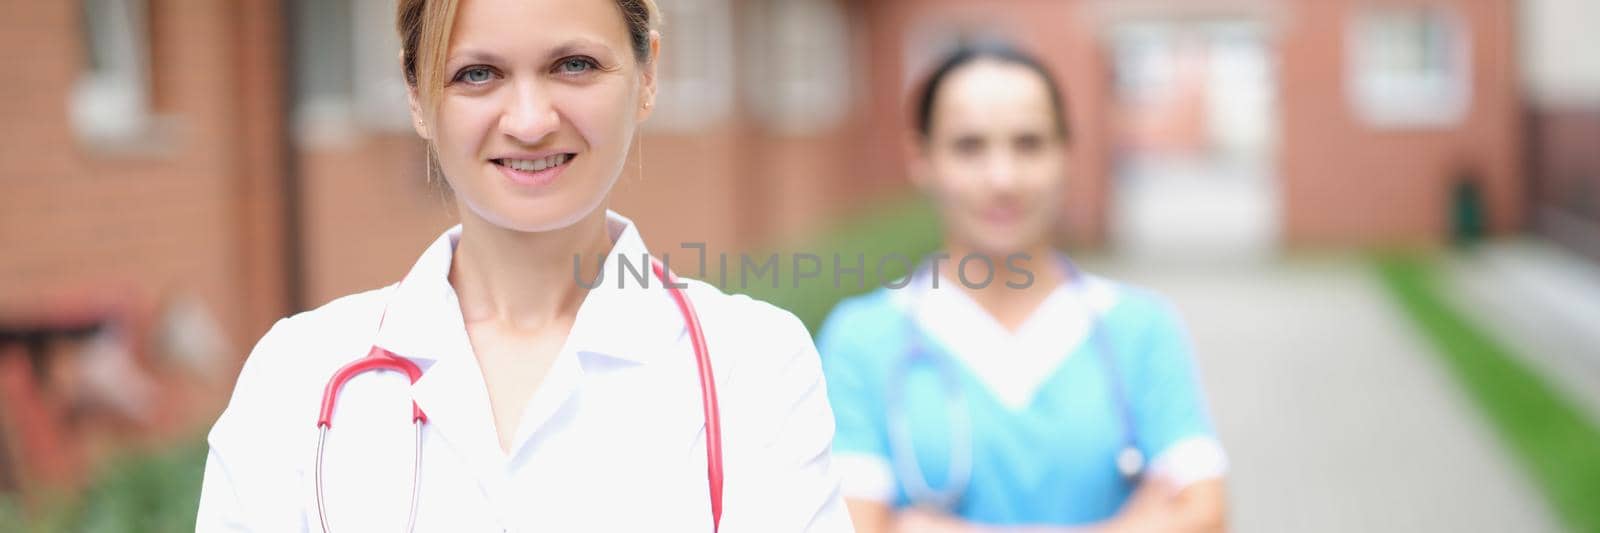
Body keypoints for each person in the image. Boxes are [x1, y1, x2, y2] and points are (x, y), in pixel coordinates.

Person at [196, 0, 851, 530]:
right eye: (477, 74)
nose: (532, 121)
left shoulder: (755, 363)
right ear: (417, 97)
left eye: (573, 64)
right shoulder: (296, 374)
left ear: (648, 73)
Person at [817, 40, 1227, 533]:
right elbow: (853, 526)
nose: (1002, 177)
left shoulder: (1140, 329)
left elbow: (1205, 516)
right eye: (969, 147)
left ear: (1066, 153)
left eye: (1029, 144)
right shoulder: (860, 340)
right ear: (922, 158)